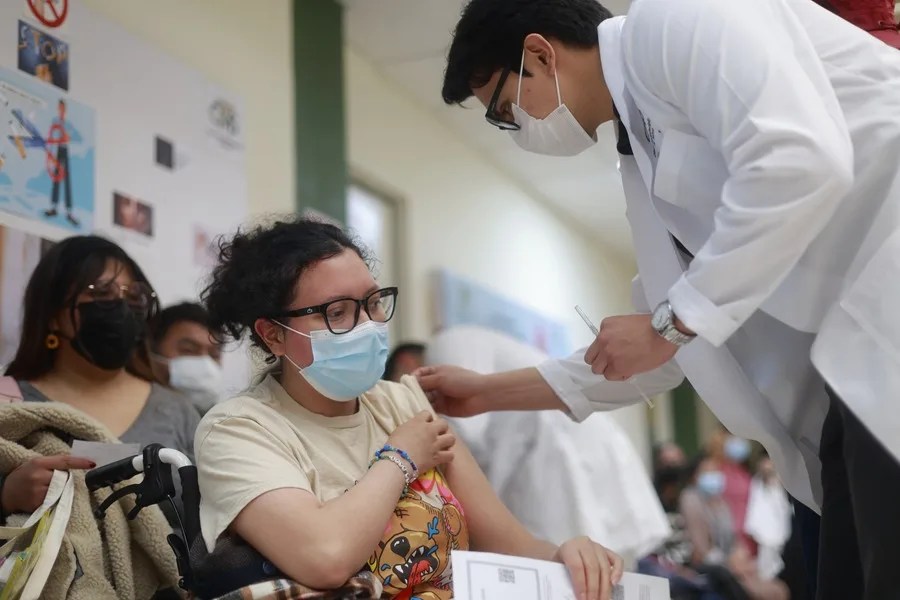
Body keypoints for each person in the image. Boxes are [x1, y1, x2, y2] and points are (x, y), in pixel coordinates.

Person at [422, 1, 900, 597]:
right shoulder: (639, 156)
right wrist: (486, 393)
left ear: (540, 54)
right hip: (855, 368)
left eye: (503, 108)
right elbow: (651, 353)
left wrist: (669, 326)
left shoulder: (678, 18)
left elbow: (802, 159)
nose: (515, 127)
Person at [195, 217, 624, 600]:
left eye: (373, 302)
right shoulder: (238, 429)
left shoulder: (401, 402)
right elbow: (324, 558)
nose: (368, 325)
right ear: (273, 335)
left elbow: (506, 540)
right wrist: (400, 458)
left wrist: (564, 555)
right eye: (337, 312)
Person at [425, 324, 670, 566]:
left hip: (556, 458)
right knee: (596, 568)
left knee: (572, 570)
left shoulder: (447, 344)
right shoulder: (490, 343)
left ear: (405, 363)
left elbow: (462, 436)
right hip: (584, 447)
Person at [1, 235, 200, 522]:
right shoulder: (10, 405)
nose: (120, 308)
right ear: (53, 316)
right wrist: (6, 495)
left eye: (133, 297)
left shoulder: (177, 411)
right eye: (100, 293)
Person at [681, 457, 789, 600]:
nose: (714, 476)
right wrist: (731, 564)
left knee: (779, 589)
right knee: (761, 593)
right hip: (712, 569)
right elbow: (702, 550)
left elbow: (734, 538)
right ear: (695, 476)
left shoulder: (720, 501)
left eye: (715, 471)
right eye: (708, 472)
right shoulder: (691, 499)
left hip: (731, 564)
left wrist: (742, 556)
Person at [150, 301, 224, 414]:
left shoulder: (222, 424)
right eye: (188, 350)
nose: (205, 363)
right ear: (152, 351)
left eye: (214, 354)